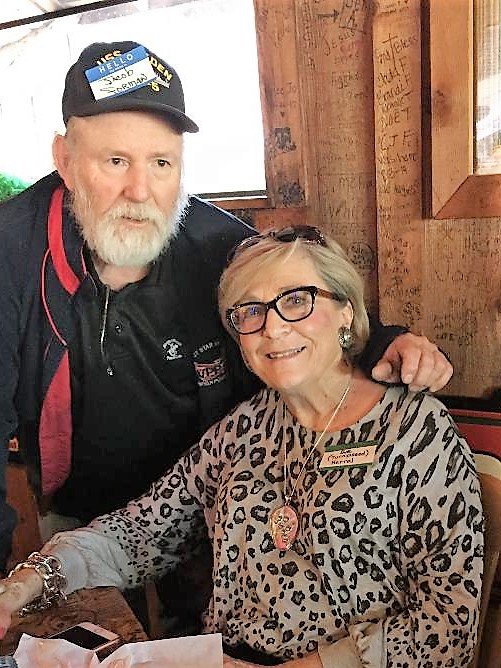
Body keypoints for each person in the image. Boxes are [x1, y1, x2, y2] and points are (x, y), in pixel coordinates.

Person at [0, 40, 452, 588]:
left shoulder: (220, 245)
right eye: (115, 161)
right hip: (79, 509)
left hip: (208, 501)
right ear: (66, 160)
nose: (139, 191)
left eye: (161, 163)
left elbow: (310, 306)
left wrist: (384, 342)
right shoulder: (10, 252)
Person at [0, 227, 482, 667]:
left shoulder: (414, 430)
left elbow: (448, 626)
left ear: (346, 312)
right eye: (251, 311)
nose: (273, 327)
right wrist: (24, 584)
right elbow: (138, 533)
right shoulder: (243, 429)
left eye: (297, 300)